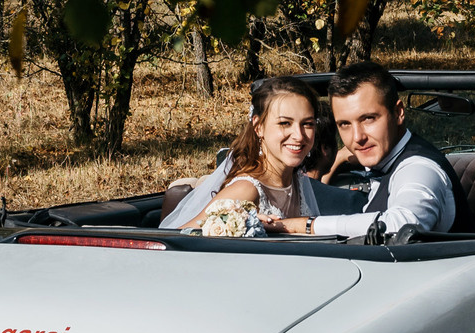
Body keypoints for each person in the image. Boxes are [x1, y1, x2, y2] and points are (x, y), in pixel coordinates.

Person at [272, 63, 457, 239]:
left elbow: (403, 226)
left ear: (399, 112)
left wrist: (307, 225)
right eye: (344, 124)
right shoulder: (385, 165)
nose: (357, 137)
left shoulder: (419, 167)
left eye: (368, 119)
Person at [163, 77, 323, 235]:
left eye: (307, 124)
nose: (299, 135)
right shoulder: (246, 189)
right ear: (258, 127)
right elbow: (180, 237)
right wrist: (240, 225)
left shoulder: (298, 181)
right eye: (284, 123)